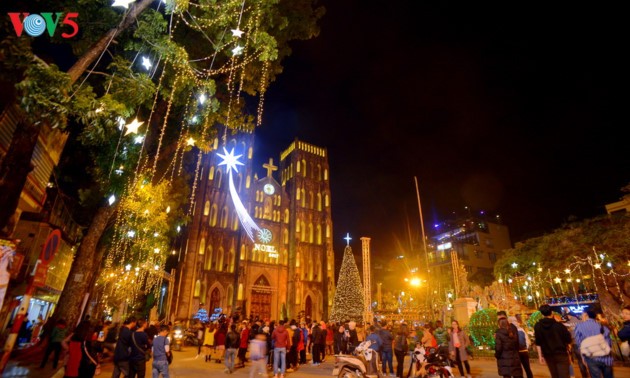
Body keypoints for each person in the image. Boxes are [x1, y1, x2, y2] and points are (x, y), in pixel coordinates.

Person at [534, 305, 572, 378]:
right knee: (564, 375)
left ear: (542, 314)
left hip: (548, 355)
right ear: (551, 312)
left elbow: (538, 342)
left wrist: (540, 356)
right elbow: (568, 340)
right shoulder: (559, 326)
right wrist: (569, 353)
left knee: (554, 375)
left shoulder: (538, 326)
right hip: (561, 354)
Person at [574, 309, 614, 378]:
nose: (581, 317)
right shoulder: (602, 326)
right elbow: (608, 341)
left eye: (582, 315)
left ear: (585, 315)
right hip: (606, 356)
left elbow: (579, 343)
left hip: (591, 356)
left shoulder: (579, 327)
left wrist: (583, 357)